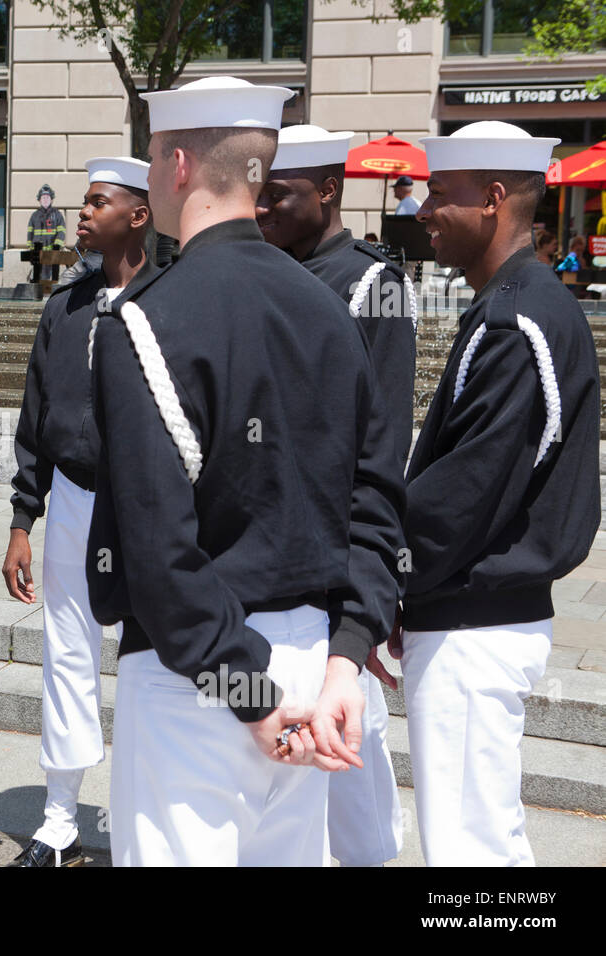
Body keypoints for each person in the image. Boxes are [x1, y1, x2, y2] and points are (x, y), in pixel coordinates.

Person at [87, 76, 404, 867]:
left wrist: (248, 693)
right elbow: (375, 496)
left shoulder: (144, 317)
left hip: (199, 669)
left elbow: (159, 551)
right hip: (312, 659)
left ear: (181, 165)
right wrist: (347, 656)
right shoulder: (330, 304)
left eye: (155, 157)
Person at [398, 121, 600, 865]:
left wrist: (385, 582)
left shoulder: (517, 317)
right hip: (474, 616)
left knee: (470, 853)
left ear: (490, 199)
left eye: (438, 193)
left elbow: (463, 495)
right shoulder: (517, 304)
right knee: (478, 842)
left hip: (472, 625)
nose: (421, 210)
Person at [256, 123, 416, 867]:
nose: (261, 209)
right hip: (277, 556)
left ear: (327, 190)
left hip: (337, 561)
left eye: (278, 195)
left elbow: (379, 454)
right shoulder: (265, 272)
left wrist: (372, 586)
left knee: (353, 759)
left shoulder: (371, 285)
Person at [3, 157, 155, 867]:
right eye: (82, 202)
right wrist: (21, 520)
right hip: (71, 500)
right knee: (67, 657)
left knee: (154, 662)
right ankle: (59, 816)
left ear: (140, 214)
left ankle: (145, 814)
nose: (82, 213)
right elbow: (36, 417)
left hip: (149, 511)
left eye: (98, 202)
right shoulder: (63, 304)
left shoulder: (171, 302)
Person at [27, 183, 66, 282]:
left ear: (51, 199)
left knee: (49, 276)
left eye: (47, 197)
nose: (45, 199)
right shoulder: (34, 216)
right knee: (37, 276)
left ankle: (47, 294)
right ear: (39, 200)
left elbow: (61, 232)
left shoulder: (57, 215)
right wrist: (31, 249)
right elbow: (30, 234)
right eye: (43, 197)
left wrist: (57, 245)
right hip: (37, 253)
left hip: (51, 252)